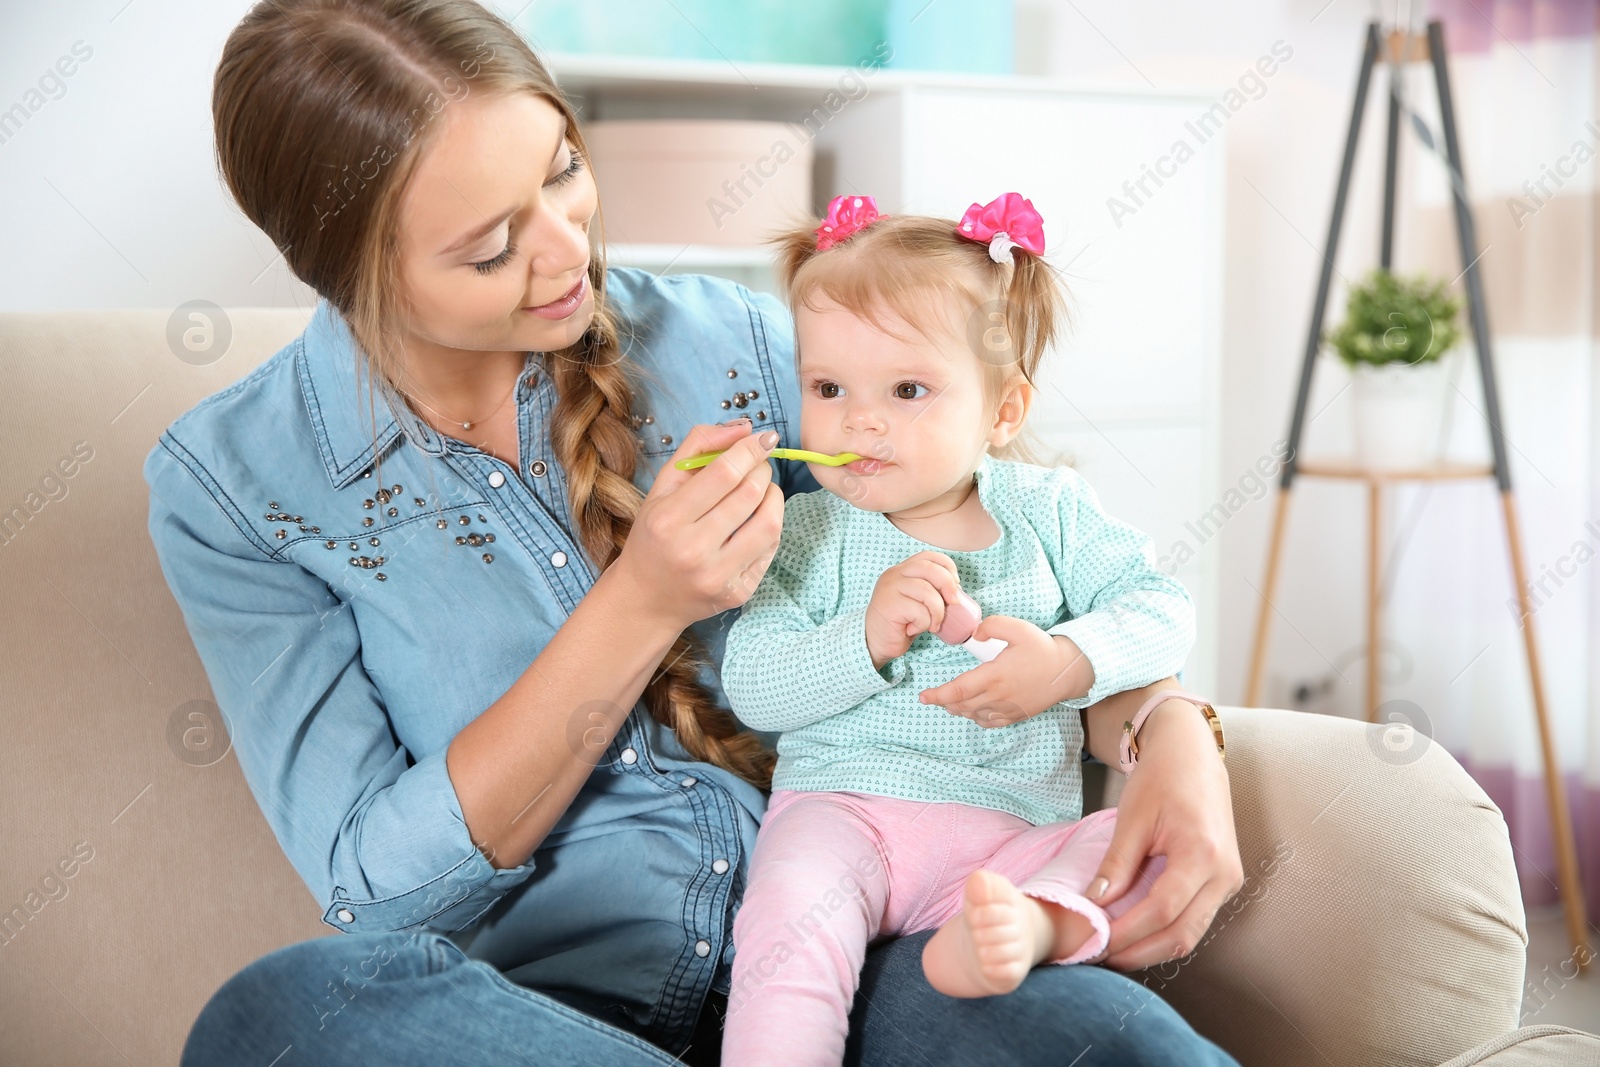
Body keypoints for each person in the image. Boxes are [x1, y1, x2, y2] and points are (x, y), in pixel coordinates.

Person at [152, 2, 1245, 1064]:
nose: (564, 252)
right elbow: (377, 887)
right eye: (490, 248)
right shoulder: (237, 487)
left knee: (1107, 1042)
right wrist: (642, 602)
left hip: (873, 948)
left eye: (563, 171)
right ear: (349, 274)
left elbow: (1030, 560)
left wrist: (1172, 729)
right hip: (547, 1017)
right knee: (282, 1012)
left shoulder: (744, 344)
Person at [716, 194, 1218, 1067]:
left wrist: (1067, 663)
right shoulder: (809, 530)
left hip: (1011, 833)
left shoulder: (1049, 511)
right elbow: (754, 687)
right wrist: (863, 638)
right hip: (846, 814)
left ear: (1004, 411)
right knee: (787, 925)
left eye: (908, 389)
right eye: (829, 388)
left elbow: (1162, 608)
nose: (860, 418)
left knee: (1115, 840)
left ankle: (1027, 928)